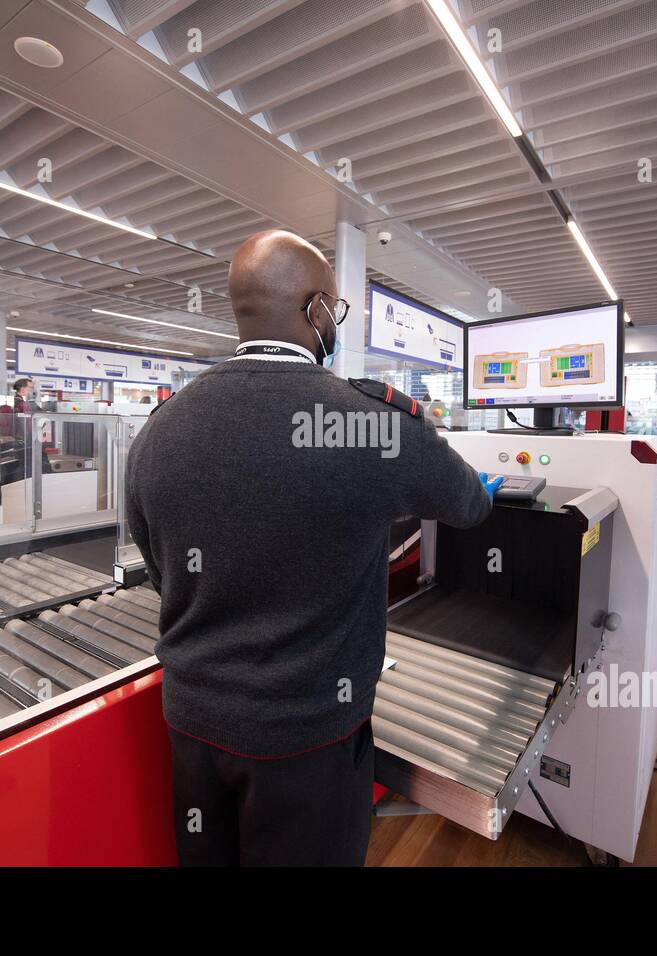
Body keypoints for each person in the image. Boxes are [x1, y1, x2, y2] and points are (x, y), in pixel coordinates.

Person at [124, 229, 502, 866]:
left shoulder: (159, 431)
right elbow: (471, 505)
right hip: (309, 739)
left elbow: (163, 570)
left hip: (193, 728)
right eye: (337, 311)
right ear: (316, 311)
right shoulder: (371, 422)